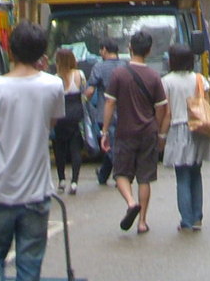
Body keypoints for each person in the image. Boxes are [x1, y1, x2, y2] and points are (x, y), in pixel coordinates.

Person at [0, 21, 65, 281]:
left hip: (0, 191)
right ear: (42, 53)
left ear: (10, 51)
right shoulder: (53, 85)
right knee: (29, 263)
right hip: (37, 193)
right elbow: (51, 123)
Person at [99, 30, 167, 234]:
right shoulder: (154, 76)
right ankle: (142, 222)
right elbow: (162, 107)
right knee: (144, 178)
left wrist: (104, 131)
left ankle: (131, 202)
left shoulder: (119, 74)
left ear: (130, 48)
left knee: (121, 173)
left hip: (125, 132)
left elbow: (110, 103)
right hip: (148, 132)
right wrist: (156, 129)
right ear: (149, 51)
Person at [160, 44, 210, 232]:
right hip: (198, 128)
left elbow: (167, 113)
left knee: (182, 175)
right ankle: (197, 217)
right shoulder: (199, 79)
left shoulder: (166, 81)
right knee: (196, 173)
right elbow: (207, 104)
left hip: (178, 128)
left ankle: (186, 220)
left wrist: (161, 135)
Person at [50, 47, 87, 195]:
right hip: (76, 115)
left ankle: (61, 180)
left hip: (60, 116)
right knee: (75, 148)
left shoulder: (54, 79)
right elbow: (85, 91)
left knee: (59, 148)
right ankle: (74, 182)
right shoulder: (79, 75)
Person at [85, 41, 121, 187]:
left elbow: (90, 90)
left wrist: (83, 102)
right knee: (116, 144)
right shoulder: (126, 66)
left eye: (101, 50)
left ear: (105, 50)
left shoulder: (99, 67)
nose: (100, 53)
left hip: (105, 113)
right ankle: (103, 175)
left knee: (109, 145)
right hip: (124, 113)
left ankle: (120, 175)